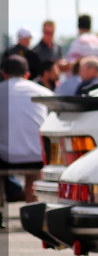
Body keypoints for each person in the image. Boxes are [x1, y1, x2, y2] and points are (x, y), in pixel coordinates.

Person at [0, 55, 51, 205]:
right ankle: (32, 210)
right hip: (37, 157)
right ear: (27, 74)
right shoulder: (44, 92)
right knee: (34, 170)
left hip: (5, 157)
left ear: (4, 74)